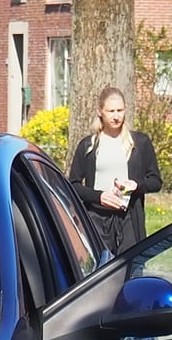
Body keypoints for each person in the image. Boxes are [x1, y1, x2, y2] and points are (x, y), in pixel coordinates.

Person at [66, 85, 162, 254]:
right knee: (102, 271)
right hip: (97, 218)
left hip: (129, 219)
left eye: (120, 110)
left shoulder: (140, 142)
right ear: (100, 111)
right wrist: (99, 196)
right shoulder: (88, 145)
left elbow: (155, 181)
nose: (116, 116)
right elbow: (73, 184)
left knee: (131, 271)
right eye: (111, 111)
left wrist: (136, 186)